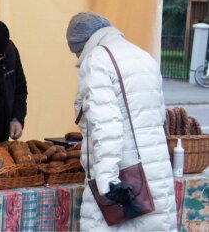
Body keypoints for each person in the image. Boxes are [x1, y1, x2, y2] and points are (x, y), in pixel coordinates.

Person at [66, 12, 176, 231]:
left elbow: (106, 126)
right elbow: (159, 116)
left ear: (81, 44)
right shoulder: (144, 56)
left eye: (75, 51)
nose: (77, 57)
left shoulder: (96, 60)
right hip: (156, 173)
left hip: (124, 181)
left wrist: (108, 184)